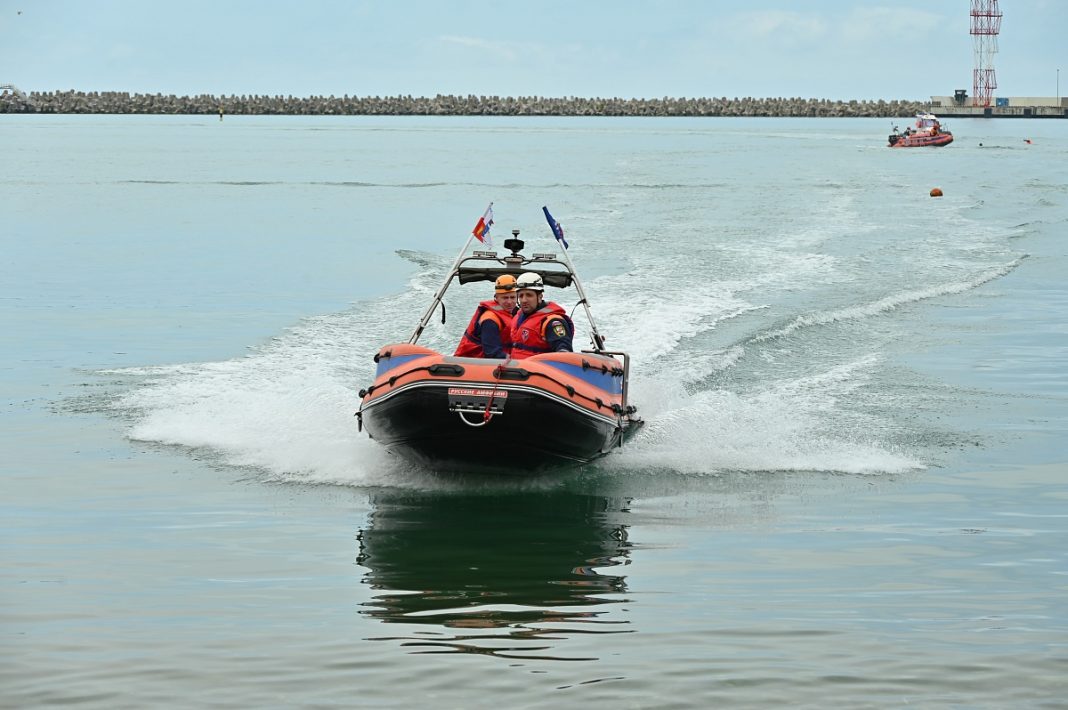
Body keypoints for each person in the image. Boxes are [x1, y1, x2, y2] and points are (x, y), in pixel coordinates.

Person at [509, 272, 574, 359]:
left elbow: (564, 353)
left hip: (537, 371)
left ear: (540, 297)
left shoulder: (552, 322)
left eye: (529, 295)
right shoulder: (518, 316)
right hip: (515, 369)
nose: (524, 300)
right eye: (521, 296)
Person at [453, 274, 518, 359]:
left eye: (513, 297)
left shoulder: (516, 313)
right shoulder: (490, 320)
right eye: (505, 298)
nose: (509, 302)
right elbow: (492, 353)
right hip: (474, 364)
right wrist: (519, 360)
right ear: (496, 298)